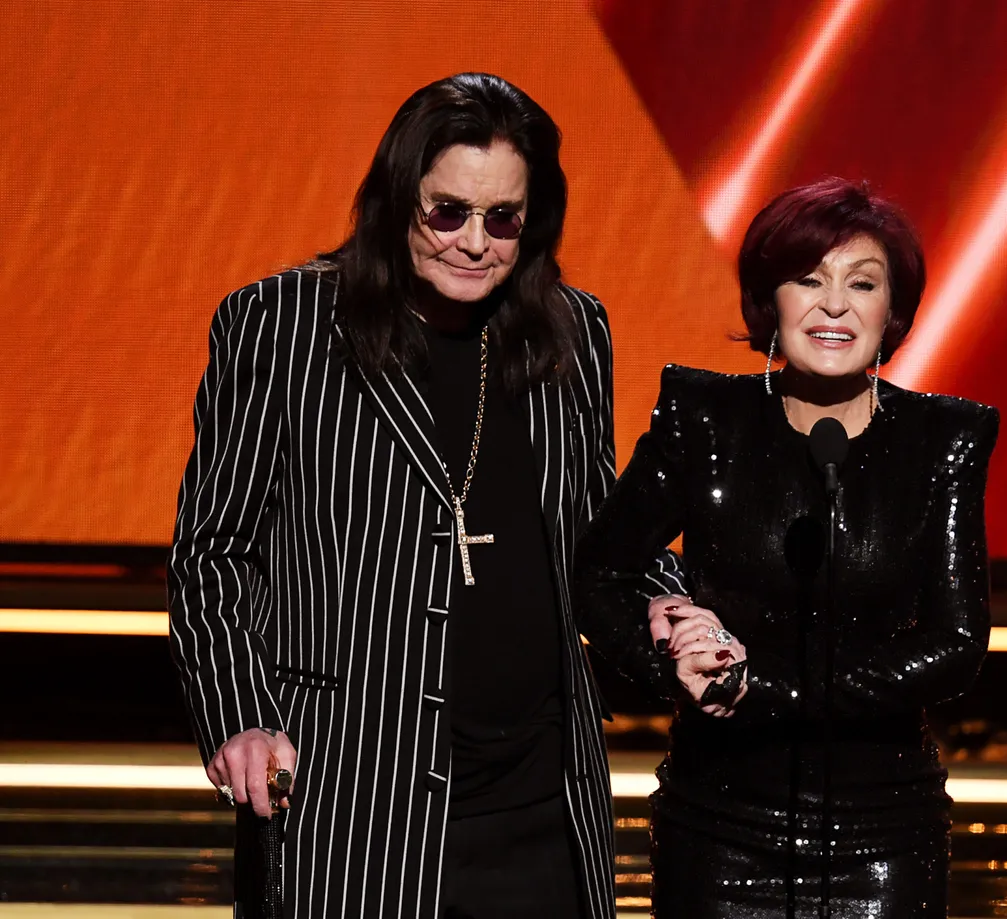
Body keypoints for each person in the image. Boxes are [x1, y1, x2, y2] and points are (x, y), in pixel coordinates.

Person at [168, 72, 682, 919]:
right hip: (349, 800)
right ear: (397, 201)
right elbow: (214, 553)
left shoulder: (572, 330)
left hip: (541, 806)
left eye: (503, 218)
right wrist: (242, 717)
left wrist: (671, 607)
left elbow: (604, 531)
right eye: (448, 212)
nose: (475, 242)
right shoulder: (283, 325)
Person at [576, 177, 999, 918]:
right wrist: (674, 664)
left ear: (892, 311)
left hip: (881, 838)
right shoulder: (704, 420)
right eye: (808, 279)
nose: (834, 305)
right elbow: (599, 573)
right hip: (719, 831)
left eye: (861, 283)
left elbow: (957, 643)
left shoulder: (942, 440)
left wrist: (765, 690)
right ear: (769, 299)